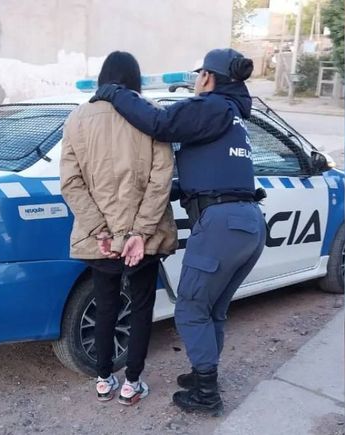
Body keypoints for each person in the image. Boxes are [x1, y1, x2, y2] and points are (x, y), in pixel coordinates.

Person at [90, 48, 267, 415]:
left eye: (199, 74)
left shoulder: (212, 107)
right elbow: (209, 174)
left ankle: (206, 393)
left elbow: (160, 123)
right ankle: (205, 374)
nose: (197, 80)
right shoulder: (232, 115)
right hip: (247, 222)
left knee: (190, 307)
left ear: (208, 77)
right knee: (213, 309)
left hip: (221, 224)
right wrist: (161, 192)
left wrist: (116, 93)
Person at [60, 51, 178, 405]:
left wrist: (100, 230)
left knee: (106, 305)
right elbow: (161, 179)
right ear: (134, 80)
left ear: (102, 78)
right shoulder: (151, 114)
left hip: (101, 241)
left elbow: (71, 183)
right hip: (145, 239)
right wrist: (139, 233)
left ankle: (102, 380)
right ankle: (132, 384)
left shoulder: (77, 119)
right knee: (141, 307)